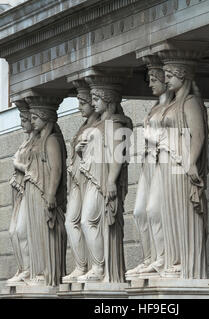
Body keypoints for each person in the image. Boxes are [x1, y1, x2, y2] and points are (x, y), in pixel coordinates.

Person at [76, 86, 133, 282]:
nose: (93, 103)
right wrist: (79, 150)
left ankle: (99, 268)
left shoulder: (115, 123)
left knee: (88, 221)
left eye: (96, 99)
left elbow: (118, 155)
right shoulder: (100, 124)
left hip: (103, 181)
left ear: (108, 100)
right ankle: (97, 266)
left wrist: (111, 181)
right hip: (92, 177)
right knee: (90, 222)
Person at [159, 60, 209, 279]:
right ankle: (174, 259)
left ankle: (187, 263)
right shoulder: (170, 104)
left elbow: (198, 135)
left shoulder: (190, 102)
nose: (166, 79)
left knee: (183, 211)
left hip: (181, 166)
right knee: (168, 212)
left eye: (170, 75)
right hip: (166, 167)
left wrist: (191, 163)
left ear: (182, 75)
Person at [126, 64, 173, 277]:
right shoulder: (155, 107)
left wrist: (151, 137)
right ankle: (149, 258)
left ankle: (162, 258)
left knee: (155, 210)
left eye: (154, 79)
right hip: (148, 162)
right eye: (150, 79)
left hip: (162, 162)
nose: (150, 83)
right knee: (139, 212)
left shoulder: (172, 107)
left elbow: (174, 138)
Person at [23, 101, 68, 286]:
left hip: (43, 194)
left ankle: (48, 273)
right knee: (34, 233)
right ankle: (38, 271)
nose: (32, 122)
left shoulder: (51, 140)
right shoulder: (38, 140)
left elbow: (56, 169)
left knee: (45, 233)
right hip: (33, 192)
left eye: (35, 118)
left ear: (45, 117)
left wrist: (50, 194)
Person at [63, 88, 99, 282]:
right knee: (70, 222)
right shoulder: (83, 126)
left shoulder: (100, 125)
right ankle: (81, 265)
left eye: (83, 103)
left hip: (89, 178)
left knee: (87, 221)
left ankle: (97, 266)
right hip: (76, 180)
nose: (79, 107)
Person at [7, 103, 34, 284]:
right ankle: (23, 268)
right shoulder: (27, 142)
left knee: (22, 231)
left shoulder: (37, 143)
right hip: (20, 192)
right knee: (12, 232)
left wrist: (17, 165)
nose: (22, 124)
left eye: (25, 120)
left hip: (29, 191)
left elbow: (33, 170)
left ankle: (29, 269)